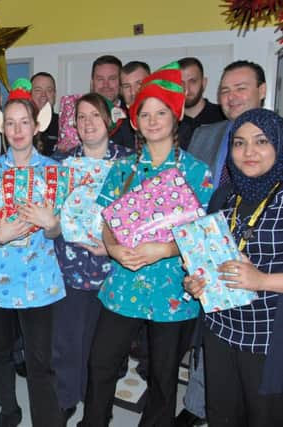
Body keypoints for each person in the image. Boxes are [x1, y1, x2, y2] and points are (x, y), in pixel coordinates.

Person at [80, 63, 214, 427]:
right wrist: (112, 247)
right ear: (135, 119)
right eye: (145, 113)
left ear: (176, 115)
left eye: (161, 113)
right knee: (101, 363)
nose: (153, 121)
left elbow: (203, 238)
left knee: (164, 375)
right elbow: (107, 221)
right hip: (122, 285)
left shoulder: (198, 172)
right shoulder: (122, 169)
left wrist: (165, 250)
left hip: (174, 291)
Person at [178, 60, 267, 427]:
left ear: (262, 90)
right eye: (226, 90)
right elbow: (188, 192)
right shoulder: (205, 134)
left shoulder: (274, 138)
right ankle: (198, 404)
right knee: (209, 338)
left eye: (241, 88)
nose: (232, 97)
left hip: (259, 260)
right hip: (206, 251)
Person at [0, 80, 65, 427]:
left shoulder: (54, 171)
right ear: (1, 127)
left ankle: (46, 420)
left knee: (41, 360)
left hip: (39, 280)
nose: (17, 130)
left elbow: (59, 232)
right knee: (0, 354)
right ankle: (8, 412)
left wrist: (50, 222)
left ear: (37, 123)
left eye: (24, 121)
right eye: (9, 123)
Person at [52, 93, 132, 422]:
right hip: (69, 266)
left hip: (112, 268)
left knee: (105, 348)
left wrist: (114, 245)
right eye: (81, 117)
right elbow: (51, 216)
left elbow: (138, 218)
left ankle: (98, 404)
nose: (87, 123)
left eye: (95, 116)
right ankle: (67, 396)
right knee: (67, 340)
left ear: (109, 121)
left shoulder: (128, 162)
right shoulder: (61, 164)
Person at [178, 57, 225, 149]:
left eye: (192, 81)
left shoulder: (223, 116)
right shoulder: (168, 122)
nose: (186, 89)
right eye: (181, 83)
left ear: (204, 83)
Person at [90, 55, 135, 150]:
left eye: (112, 79)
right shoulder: (78, 115)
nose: (106, 85)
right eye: (100, 79)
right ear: (92, 83)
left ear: (121, 82)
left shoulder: (135, 114)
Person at [31, 71, 59, 155]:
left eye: (49, 90)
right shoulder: (22, 124)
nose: (44, 95)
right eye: (38, 90)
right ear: (29, 94)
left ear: (54, 95)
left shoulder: (64, 125)